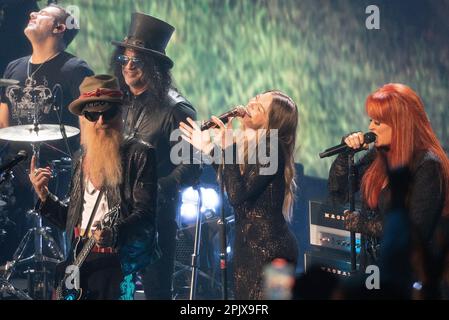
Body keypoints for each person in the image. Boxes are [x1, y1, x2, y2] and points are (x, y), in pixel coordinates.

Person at [29, 74, 159, 300]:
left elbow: (146, 214)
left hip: (117, 261)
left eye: (108, 113)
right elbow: (72, 220)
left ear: (120, 114)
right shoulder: (81, 158)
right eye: (92, 115)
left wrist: (114, 232)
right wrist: (44, 196)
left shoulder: (139, 154)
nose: (100, 122)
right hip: (80, 259)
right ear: (83, 119)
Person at [110, 12, 201, 299]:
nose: (128, 67)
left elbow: (193, 166)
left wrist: (153, 191)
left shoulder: (177, 109)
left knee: (156, 290)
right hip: (119, 213)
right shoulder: (121, 101)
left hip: (156, 219)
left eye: (136, 60)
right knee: (118, 287)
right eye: (124, 59)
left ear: (153, 65)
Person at [179, 90, 299, 299]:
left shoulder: (273, 148)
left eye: (259, 106)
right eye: (254, 98)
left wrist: (228, 147)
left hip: (274, 254)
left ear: (272, 122)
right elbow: (236, 181)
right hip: (249, 250)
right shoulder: (254, 148)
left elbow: (236, 195)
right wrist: (209, 148)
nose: (251, 103)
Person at [0, 3, 93, 260]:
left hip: (57, 174)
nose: (32, 13)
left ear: (59, 28)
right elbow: (3, 125)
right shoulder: (13, 68)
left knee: (59, 252)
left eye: (41, 14)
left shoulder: (76, 70)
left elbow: (89, 129)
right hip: (16, 171)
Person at [327, 83, 449, 265]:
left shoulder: (428, 165)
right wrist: (346, 155)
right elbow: (339, 192)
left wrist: (365, 225)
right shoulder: (379, 155)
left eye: (377, 122)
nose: (370, 127)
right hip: (372, 265)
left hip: (406, 272)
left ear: (400, 124)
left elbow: (416, 231)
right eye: (370, 120)